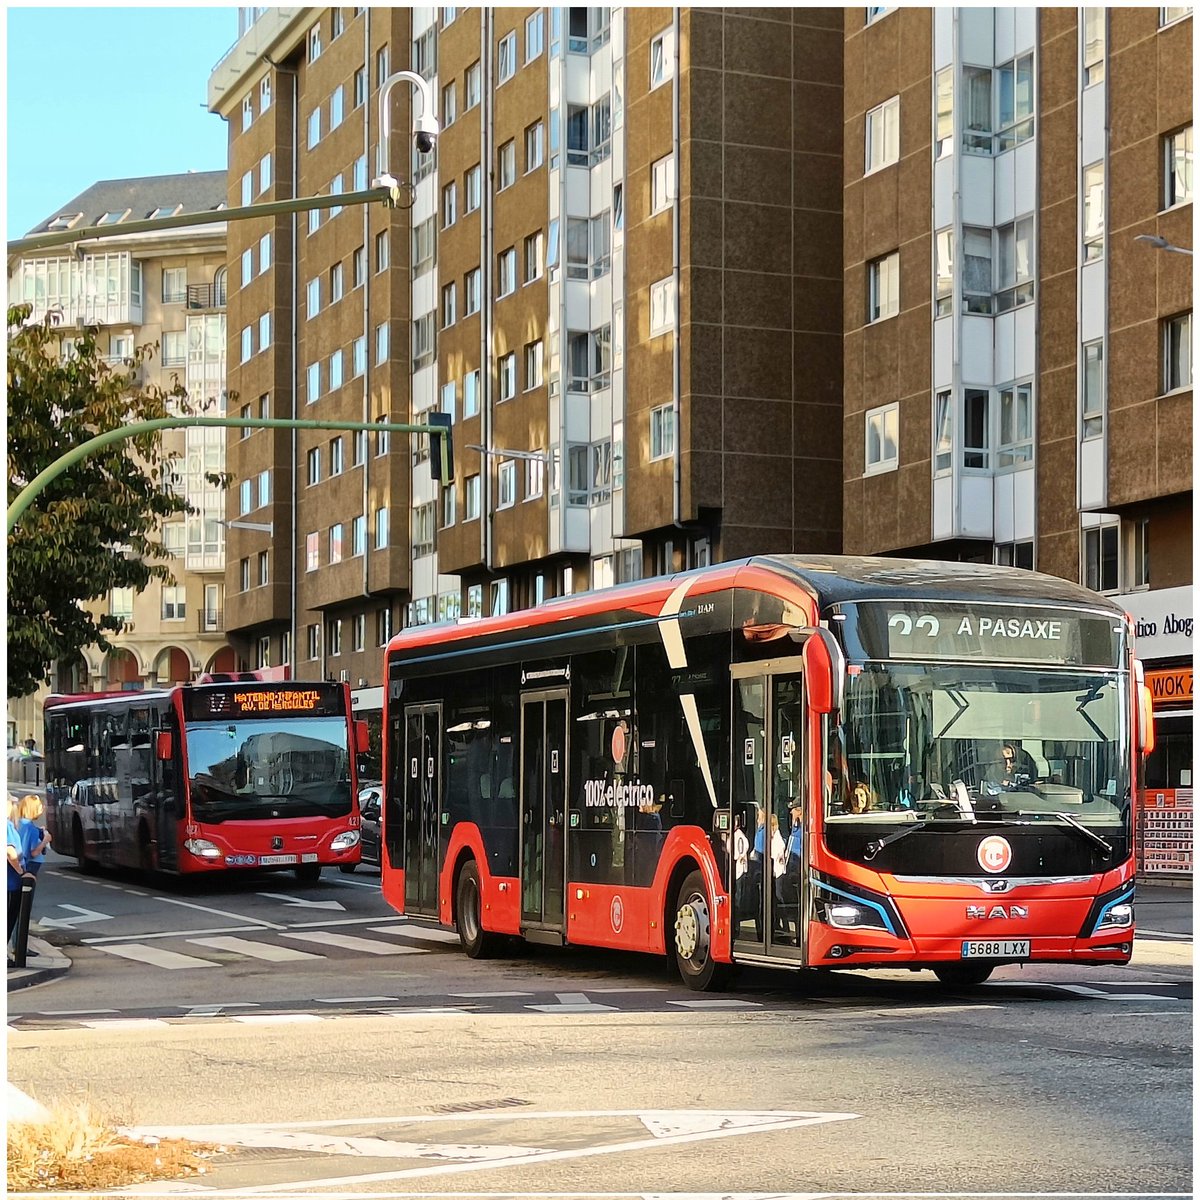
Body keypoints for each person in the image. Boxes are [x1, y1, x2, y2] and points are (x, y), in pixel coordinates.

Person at [7, 796, 29, 949]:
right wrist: (21, 872)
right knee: (9, 919)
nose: (14, 806)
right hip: (10, 883)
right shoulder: (6, 826)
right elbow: (10, 851)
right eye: (11, 803)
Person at [17, 794, 50, 877]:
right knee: (28, 886)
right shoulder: (32, 829)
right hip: (30, 864)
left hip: (19, 862)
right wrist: (45, 840)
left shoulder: (18, 823)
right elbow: (34, 853)